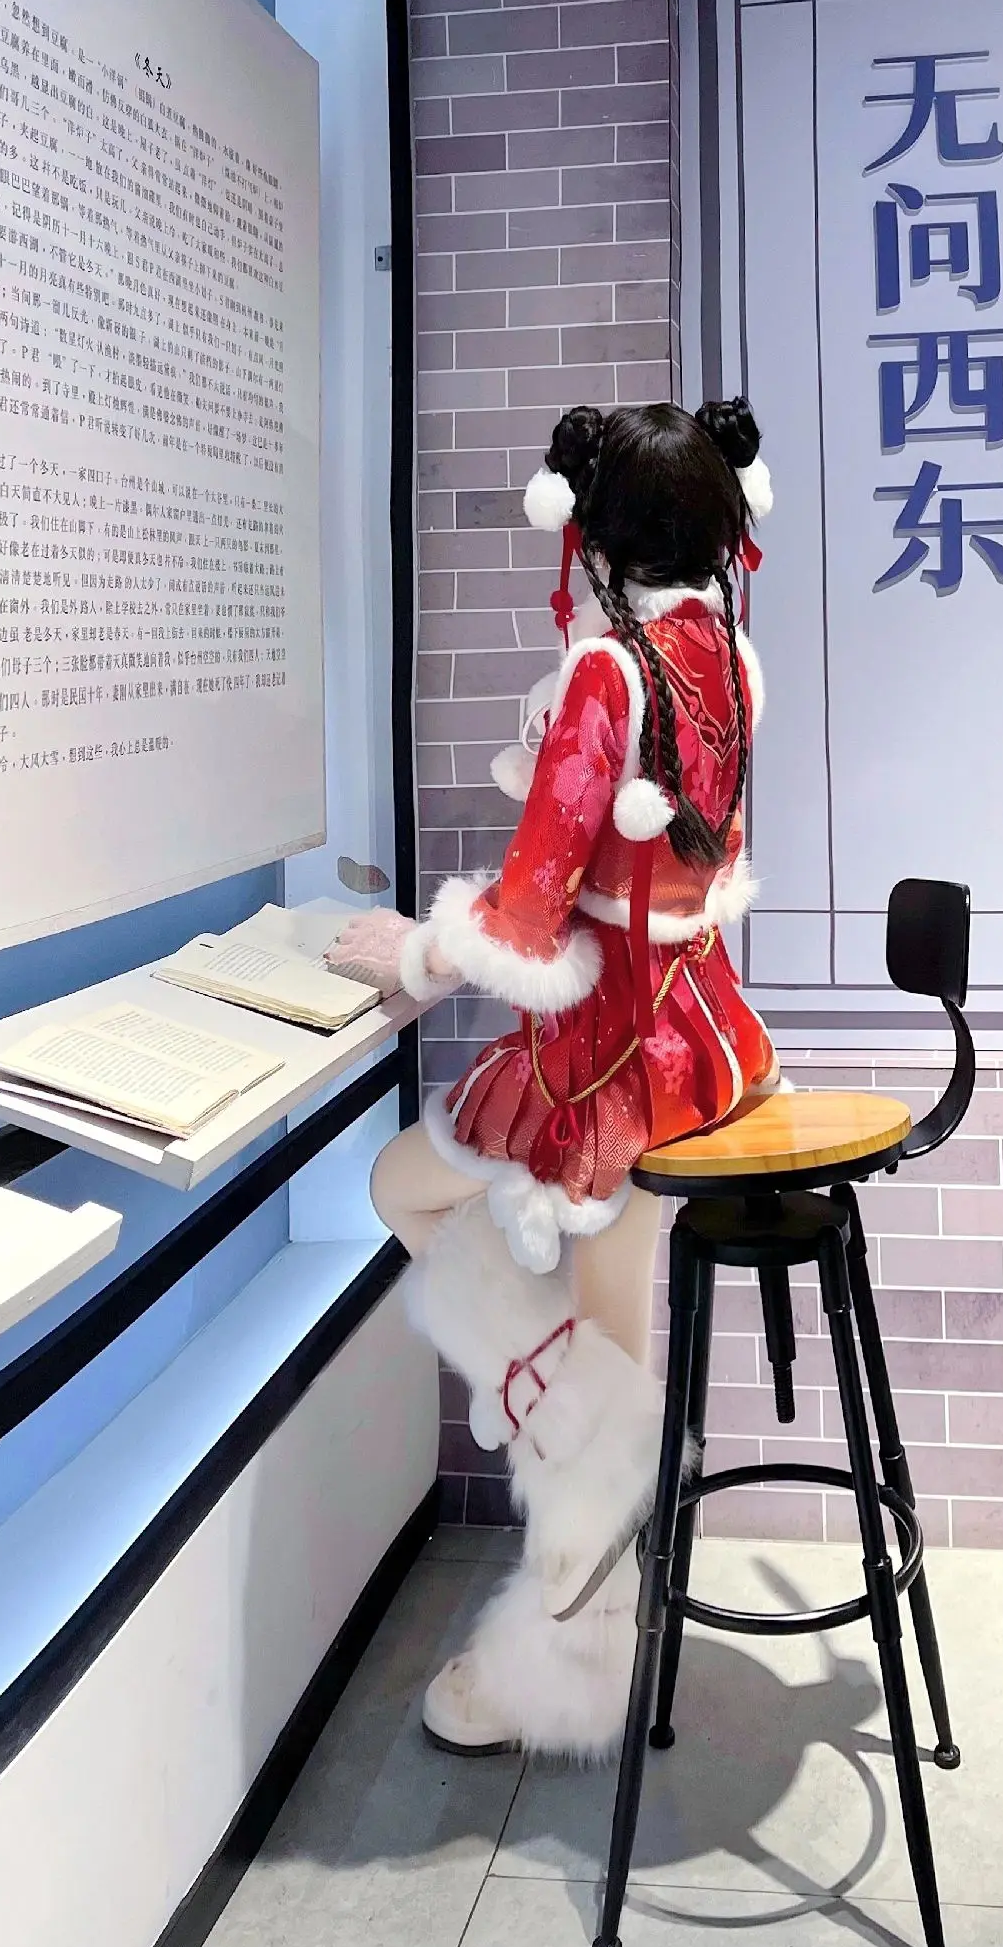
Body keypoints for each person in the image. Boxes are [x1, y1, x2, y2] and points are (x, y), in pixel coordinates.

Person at [325, 396, 777, 1757]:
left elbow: (528, 912)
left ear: (589, 534)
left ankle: (570, 1635)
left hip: (605, 1063)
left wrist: (415, 949)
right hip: (702, 1037)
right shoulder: (730, 654)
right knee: (604, 1334)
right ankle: (581, 1483)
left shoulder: (606, 674)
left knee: (412, 1191)